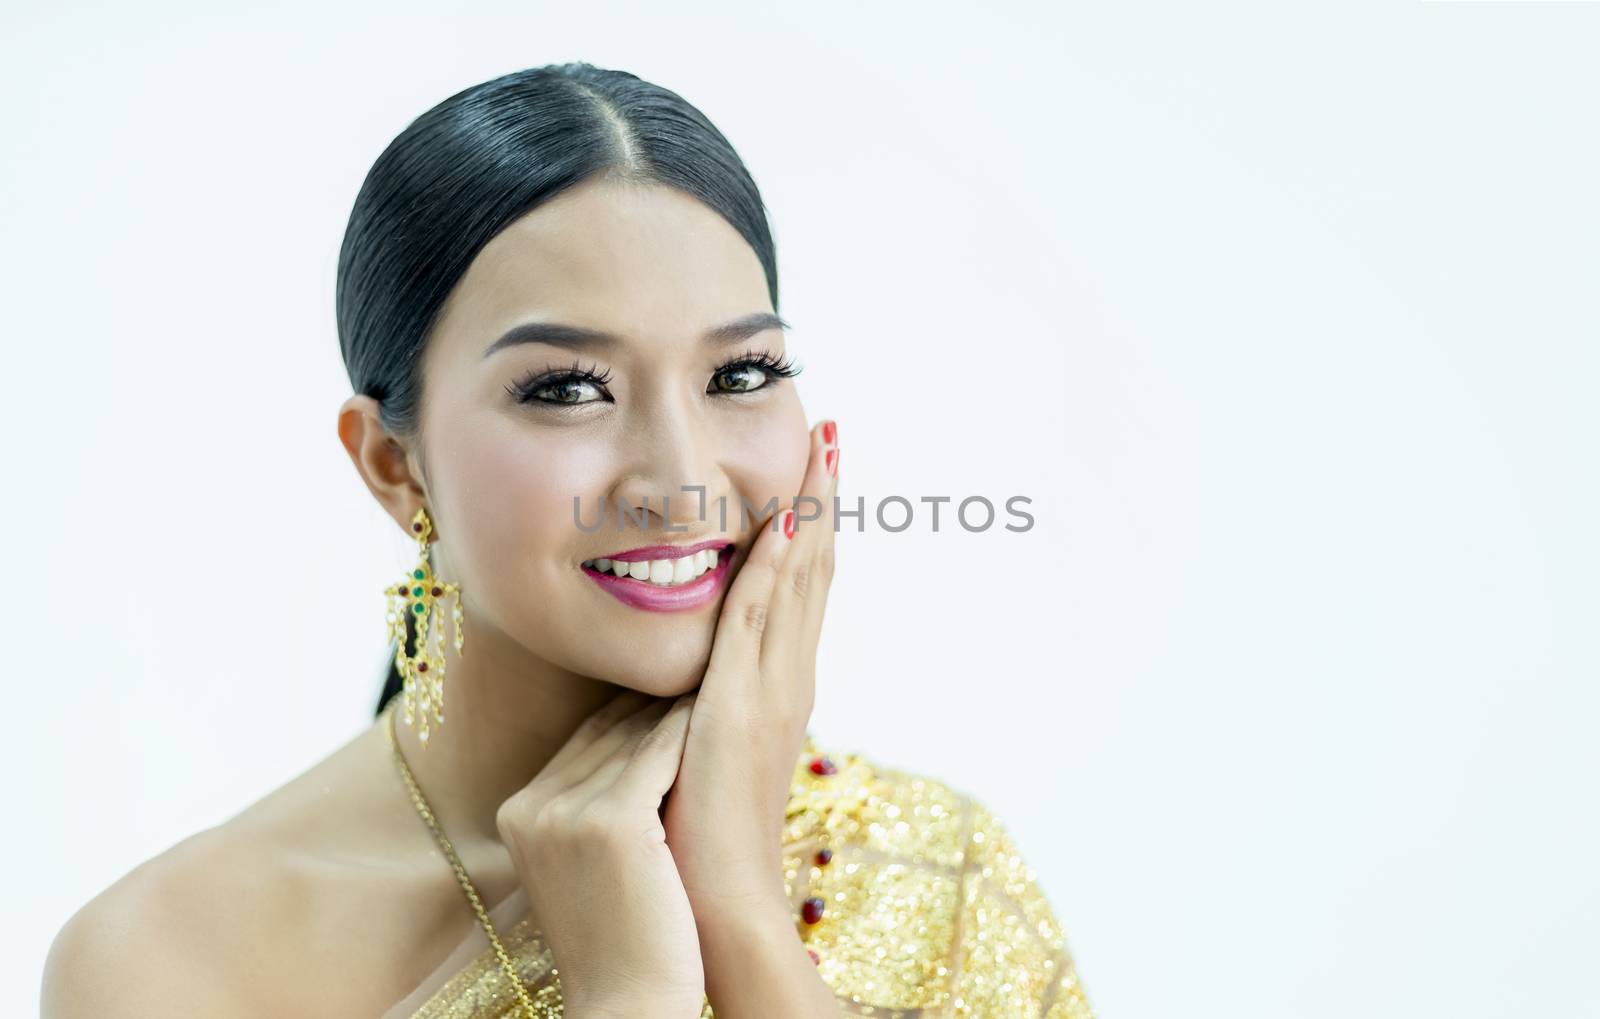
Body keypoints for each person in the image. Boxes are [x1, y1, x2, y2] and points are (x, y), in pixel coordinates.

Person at [41, 62, 1095, 1018]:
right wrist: (629, 990)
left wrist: (733, 900)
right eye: (566, 389)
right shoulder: (166, 960)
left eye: (739, 375)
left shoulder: (936, 872)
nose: (682, 483)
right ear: (391, 464)